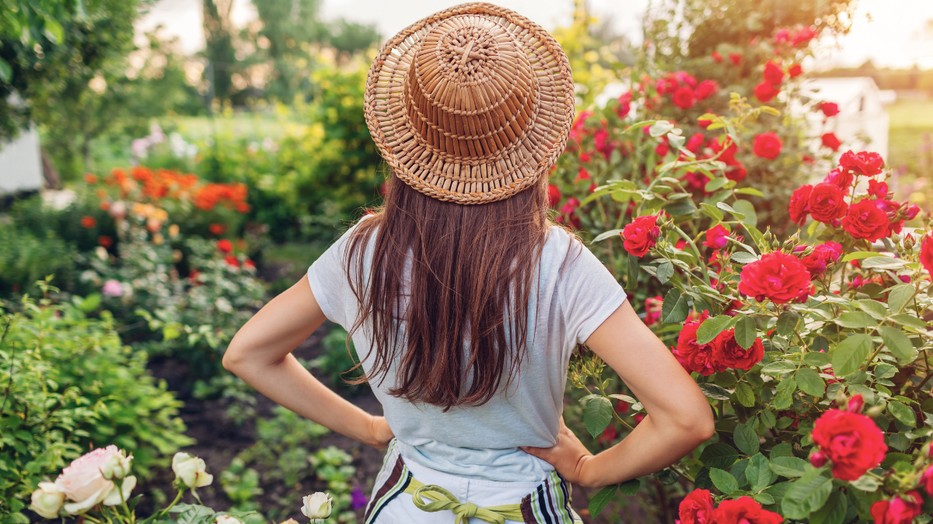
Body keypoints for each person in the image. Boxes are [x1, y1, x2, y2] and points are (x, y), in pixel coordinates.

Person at [223, 3, 715, 523]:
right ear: (534, 141)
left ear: (406, 138)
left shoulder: (361, 251)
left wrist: (369, 427)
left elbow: (248, 355)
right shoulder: (560, 262)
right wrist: (591, 470)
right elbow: (686, 420)